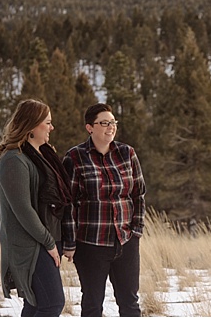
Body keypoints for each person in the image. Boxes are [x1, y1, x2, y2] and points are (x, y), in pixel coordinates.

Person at [62, 103, 146, 317]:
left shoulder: (127, 153)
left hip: (126, 242)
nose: (111, 127)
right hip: (91, 244)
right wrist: (69, 242)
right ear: (89, 127)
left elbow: (138, 194)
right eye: (104, 123)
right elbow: (68, 203)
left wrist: (136, 230)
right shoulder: (74, 158)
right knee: (92, 304)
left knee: (130, 303)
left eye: (113, 122)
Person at [0, 99, 69, 317]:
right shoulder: (13, 160)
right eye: (47, 122)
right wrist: (49, 242)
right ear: (32, 126)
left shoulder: (41, 156)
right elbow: (24, 210)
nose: (52, 127)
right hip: (29, 244)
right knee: (52, 303)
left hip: (44, 239)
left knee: (37, 304)